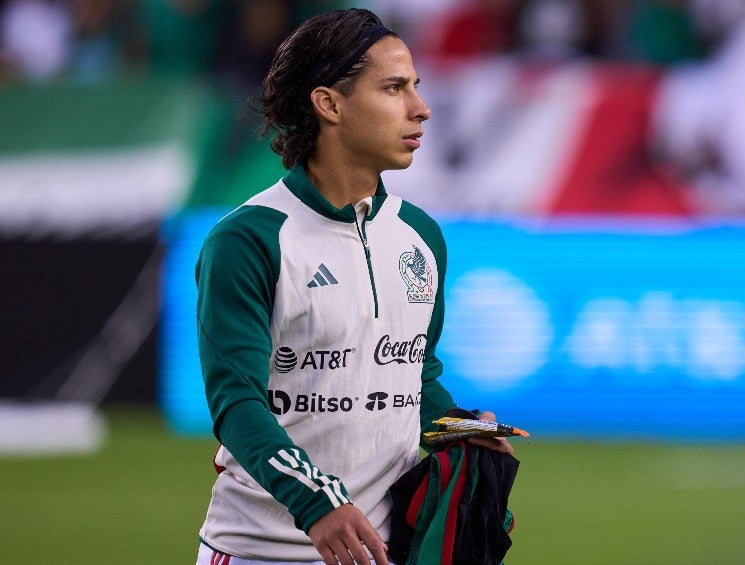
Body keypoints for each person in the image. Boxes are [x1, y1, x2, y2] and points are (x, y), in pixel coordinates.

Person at [193, 8, 512, 565]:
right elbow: (236, 402)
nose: (421, 108)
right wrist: (316, 503)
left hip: (380, 552)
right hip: (259, 551)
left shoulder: (421, 236)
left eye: (416, 86)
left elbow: (414, 376)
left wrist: (456, 426)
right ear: (330, 104)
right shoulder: (249, 239)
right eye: (393, 88)